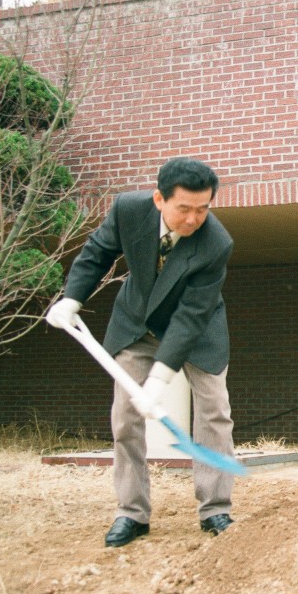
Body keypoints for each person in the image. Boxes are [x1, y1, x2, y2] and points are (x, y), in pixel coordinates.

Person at [46, 157, 237, 547]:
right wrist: (71, 300)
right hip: (137, 321)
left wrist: (160, 379)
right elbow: (97, 253)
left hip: (197, 330)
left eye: (203, 209)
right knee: (126, 415)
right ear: (158, 200)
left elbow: (190, 317)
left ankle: (215, 507)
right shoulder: (128, 210)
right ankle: (132, 512)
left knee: (214, 410)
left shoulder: (216, 243)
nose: (192, 219)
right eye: (183, 208)